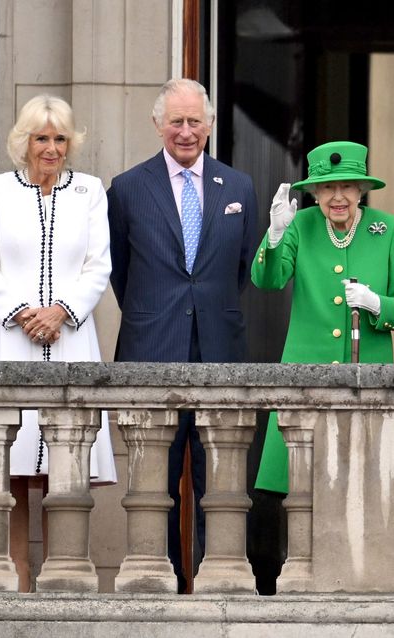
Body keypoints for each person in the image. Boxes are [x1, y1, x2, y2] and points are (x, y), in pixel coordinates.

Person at [0, 94, 117, 592]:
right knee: (12, 468)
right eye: (42, 138)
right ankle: (18, 582)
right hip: (9, 340)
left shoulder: (89, 191)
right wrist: (24, 313)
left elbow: (98, 266)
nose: (51, 148)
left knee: (62, 469)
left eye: (60, 139)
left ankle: (62, 580)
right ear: (24, 143)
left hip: (68, 338)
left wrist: (61, 311)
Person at [106, 78, 258, 593]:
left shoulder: (238, 188)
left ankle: (220, 583)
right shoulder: (126, 188)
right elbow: (120, 273)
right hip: (152, 348)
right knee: (155, 484)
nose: (186, 132)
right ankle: (164, 584)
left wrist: (202, 307)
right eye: (177, 121)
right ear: (158, 125)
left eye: (196, 121)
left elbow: (239, 269)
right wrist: (161, 314)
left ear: (211, 126)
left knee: (219, 481)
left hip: (220, 348)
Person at [251, 140, 394, 494]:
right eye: (328, 187)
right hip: (306, 376)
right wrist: (275, 234)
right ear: (314, 192)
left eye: (346, 186)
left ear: (361, 190)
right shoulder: (301, 225)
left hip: (367, 380)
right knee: (304, 489)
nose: (337, 196)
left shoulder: (388, 229)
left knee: (363, 488)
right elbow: (268, 281)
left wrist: (377, 304)